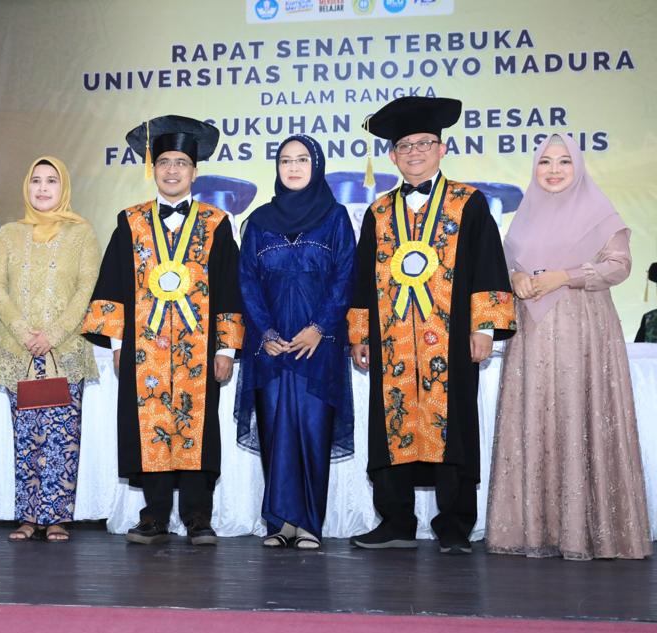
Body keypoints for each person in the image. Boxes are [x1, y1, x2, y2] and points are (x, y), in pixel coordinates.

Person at [347, 97, 516, 555]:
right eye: (405, 146)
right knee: (391, 422)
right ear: (392, 156)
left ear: (442, 149)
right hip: (392, 342)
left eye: (425, 143)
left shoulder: (469, 204)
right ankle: (396, 520)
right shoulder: (378, 212)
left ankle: (455, 525)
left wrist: (484, 327)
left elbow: (487, 266)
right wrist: (360, 333)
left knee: (453, 424)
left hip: (451, 338)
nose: (415, 152)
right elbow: (362, 278)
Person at [486, 133, 652, 560]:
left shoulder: (599, 214)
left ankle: (592, 531)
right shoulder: (523, 216)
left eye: (563, 162)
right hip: (532, 336)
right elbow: (506, 264)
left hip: (585, 333)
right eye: (545, 162)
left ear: (578, 168)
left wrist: (566, 275)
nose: (554, 170)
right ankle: (535, 529)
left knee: (582, 413)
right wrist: (514, 279)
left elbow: (618, 266)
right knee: (536, 418)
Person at [82, 115, 244, 545]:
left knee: (196, 426)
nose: (172, 170)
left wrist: (226, 347)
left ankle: (197, 517)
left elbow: (229, 286)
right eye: (165, 162)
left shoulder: (217, 223)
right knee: (149, 422)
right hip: (143, 346)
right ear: (153, 169)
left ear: (195, 171)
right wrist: (116, 341)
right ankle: (152, 515)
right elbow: (114, 282)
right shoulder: (130, 221)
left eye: (181, 163)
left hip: (200, 345)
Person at [235, 135, 355, 550]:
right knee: (275, 430)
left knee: (311, 428)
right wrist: (265, 333)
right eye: (286, 160)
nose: (294, 167)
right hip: (271, 345)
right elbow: (247, 281)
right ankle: (280, 523)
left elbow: (345, 277)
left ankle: (308, 524)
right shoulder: (259, 220)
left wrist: (319, 328)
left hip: (317, 345)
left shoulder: (336, 217)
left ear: (316, 165)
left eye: (302, 159)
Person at [0, 156, 100, 543]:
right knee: (27, 436)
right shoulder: (8, 233)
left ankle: (57, 518)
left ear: (63, 187)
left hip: (65, 350)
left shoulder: (82, 234)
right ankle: (28, 517)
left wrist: (52, 334)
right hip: (17, 352)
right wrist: (23, 331)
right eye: (36, 180)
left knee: (62, 437)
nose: (43, 188)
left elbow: (86, 289)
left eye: (51, 181)